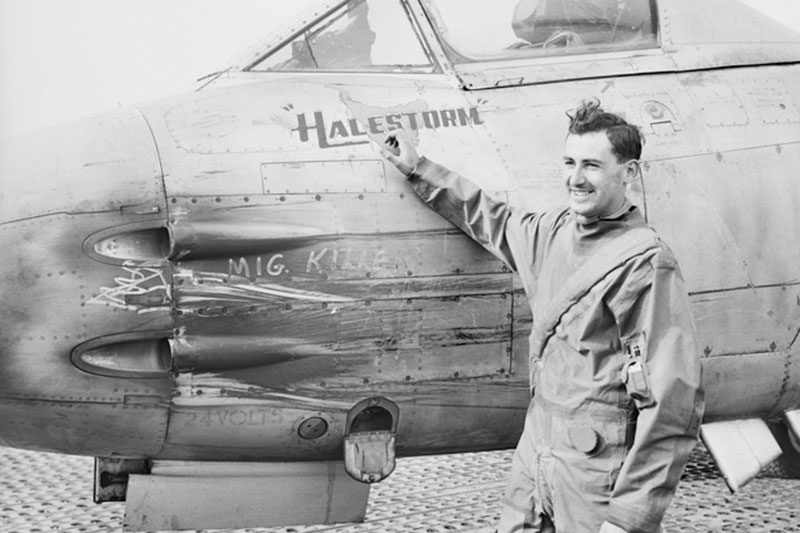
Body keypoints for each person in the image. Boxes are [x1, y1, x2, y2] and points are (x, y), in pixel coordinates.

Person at [379, 99, 704, 533]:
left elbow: (673, 400)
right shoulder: (550, 233)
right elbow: (488, 218)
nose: (575, 178)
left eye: (591, 165)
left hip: (596, 473)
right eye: (569, 162)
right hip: (536, 458)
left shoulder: (644, 263)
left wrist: (629, 517)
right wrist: (418, 167)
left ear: (628, 173)